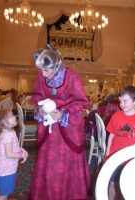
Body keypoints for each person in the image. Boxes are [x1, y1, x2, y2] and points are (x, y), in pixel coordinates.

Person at [28, 45, 89, 200]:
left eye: (46, 70)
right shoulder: (42, 76)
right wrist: (41, 108)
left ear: (56, 66)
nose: (42, 74)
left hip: (68, 127)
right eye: (41, 70)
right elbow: (36, 96)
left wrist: (63, 112)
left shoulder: (72, 76)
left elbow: (82, 102)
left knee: (66, 161)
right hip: (49, 127)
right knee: (49, 162)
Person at [105, 86, 135, 199]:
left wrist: (125, 153)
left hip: (132, 159)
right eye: (120, 101)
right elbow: (111, 136)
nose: (122, 104)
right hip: (114, 157)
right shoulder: (116, 116)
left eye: (125, 101)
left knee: (129, 185)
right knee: (111, 183)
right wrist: (107, 155)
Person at [0, 110, 28, 200]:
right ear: (4, 122)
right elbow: (9, 154)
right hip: (6, 171)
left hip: (5, 168)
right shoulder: (7, 135)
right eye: (11, 116)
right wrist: (21, 155)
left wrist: (22, 150)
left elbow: (15, 147)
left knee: (5, 192)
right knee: (3, 195)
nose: (15, 117)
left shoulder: (11, 131)